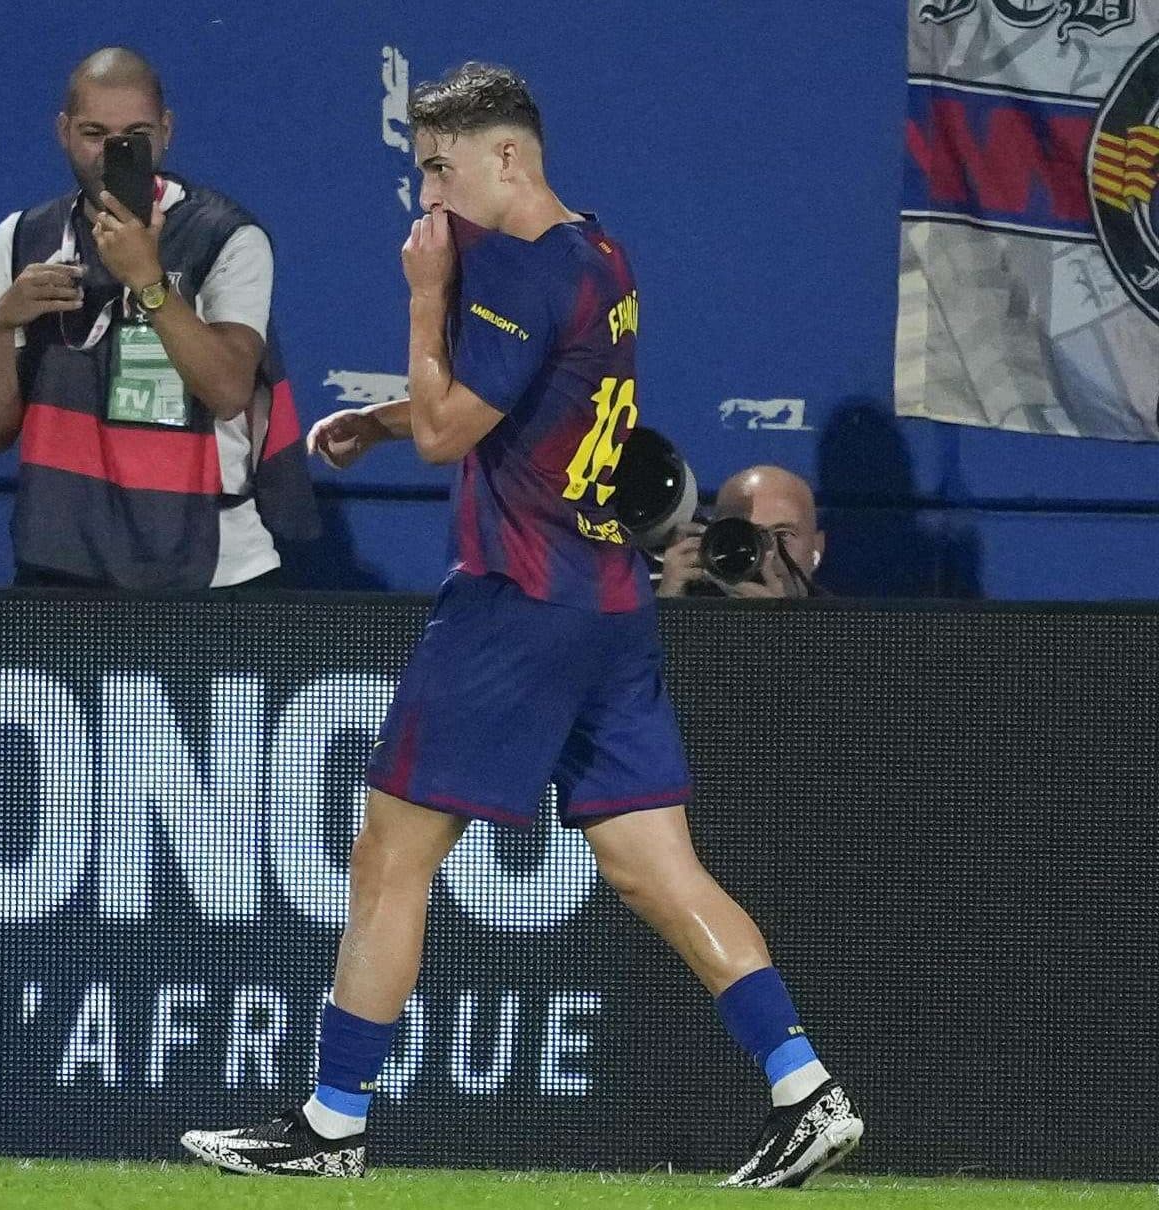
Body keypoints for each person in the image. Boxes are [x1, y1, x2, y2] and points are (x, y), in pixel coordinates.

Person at [178, 63, 863, 1187]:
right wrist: (381, 423)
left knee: (390, 859)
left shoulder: (499, 270)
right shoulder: (599, 253)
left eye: (439, 169)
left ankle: (331, 1123)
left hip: (516, 603)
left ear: (507, 158)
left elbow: (456, 433)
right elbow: (526, 406)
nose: (427, 200)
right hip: (611, 605)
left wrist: (419, 299)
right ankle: (805, 1086)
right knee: (655, 866)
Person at [0, 47, 317, 590]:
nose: (113, 151)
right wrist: (2, 326)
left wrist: (149, 283)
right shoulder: (20, 238)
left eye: (136, 134)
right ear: (62, 130)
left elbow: (227, 390)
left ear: (167, 131)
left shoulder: (226, 237)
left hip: (212, 563)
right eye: (94, 132)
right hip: (61, 558)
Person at [659, 466, 826, 598]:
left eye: (783, 534)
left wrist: (780, 628)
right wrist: (668, 607)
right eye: (743, 534)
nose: (765, 553)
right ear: (711, 540)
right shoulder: (687, 603)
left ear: (817, 547)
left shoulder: (845, 629)